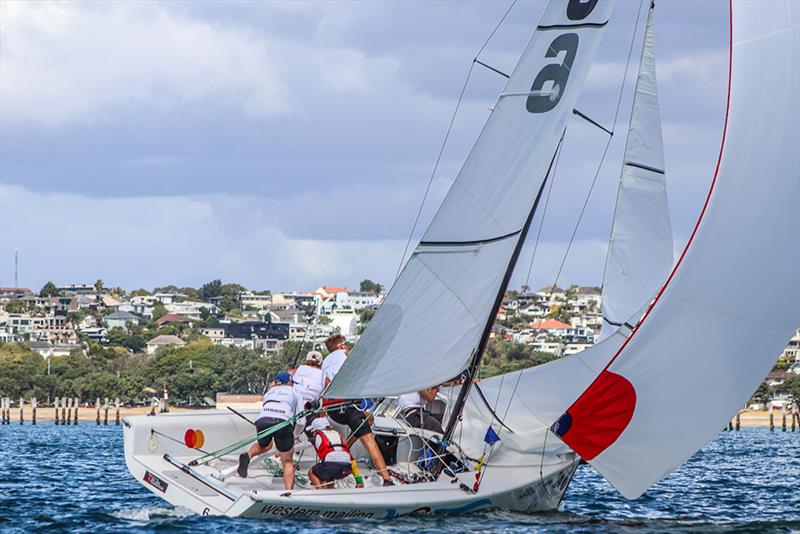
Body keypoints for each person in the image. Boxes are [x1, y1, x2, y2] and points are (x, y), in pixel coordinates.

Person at [321, 334, 393, 486]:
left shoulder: (326, 362)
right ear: (341, 346)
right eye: (345, 343)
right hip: (348, 405)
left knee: (368, 418)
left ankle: (346, 446)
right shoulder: (346, 354)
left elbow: (325, 386)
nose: (347, 346)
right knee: (369, 441)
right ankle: (387, 479)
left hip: (333, 411)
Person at [238, 372, 303, 490]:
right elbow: (301, 420)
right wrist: (295, 436)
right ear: (289, 382)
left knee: (265, 445)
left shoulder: (269, 392)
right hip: (282, 421)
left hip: (263, 420)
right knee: (287, 459)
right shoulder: (295, 392)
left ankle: (248, 455)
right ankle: (289, 491)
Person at [306, 417, 353, 489]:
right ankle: (330, 494)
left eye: (313, 431)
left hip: (331, 466)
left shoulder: (317, 436)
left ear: (317, 430)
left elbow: (299, 447)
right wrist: (359, 480)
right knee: (329, 476)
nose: (313, 433)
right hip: (347, 468)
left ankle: (320, 492)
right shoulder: (337, 435)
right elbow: (352, 459)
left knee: (311, 472)